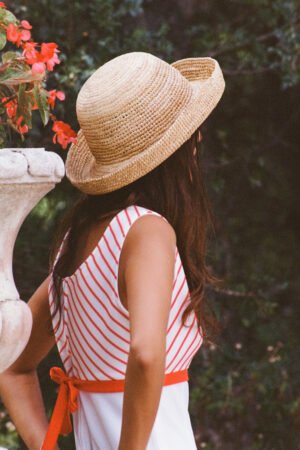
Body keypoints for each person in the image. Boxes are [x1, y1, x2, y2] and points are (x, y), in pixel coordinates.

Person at [0, 51, 225, 450]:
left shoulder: (77, 243)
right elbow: (146, 354)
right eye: (193, 134)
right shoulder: (147, 231)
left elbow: (12, 367)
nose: (199, 141)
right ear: (175, 150)